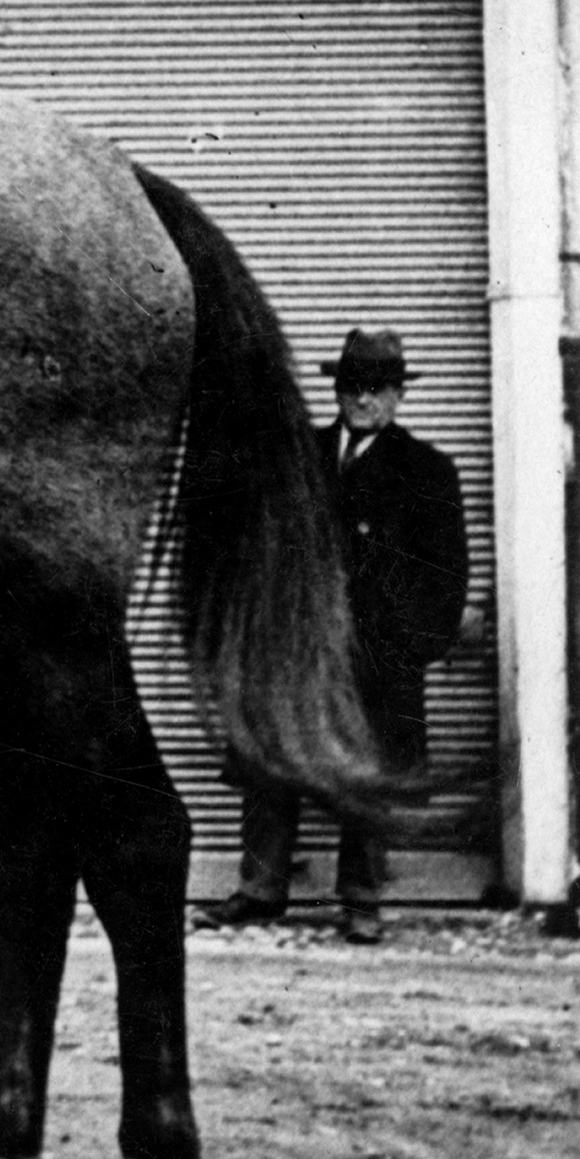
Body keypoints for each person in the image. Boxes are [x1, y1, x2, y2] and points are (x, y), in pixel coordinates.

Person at [202, 327, 469, 945]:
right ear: (338, 390)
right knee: (272, 758)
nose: (363, 399)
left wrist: (414, 646)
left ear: (400, 395)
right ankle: (261, 890)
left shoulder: (427, 471)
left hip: (377, 653)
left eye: (377, 388)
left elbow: (448, 573)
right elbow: (260, 548)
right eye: (352, 386)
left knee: (366, 771)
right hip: (298, 646)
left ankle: (362, 900)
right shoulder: (300, 459)